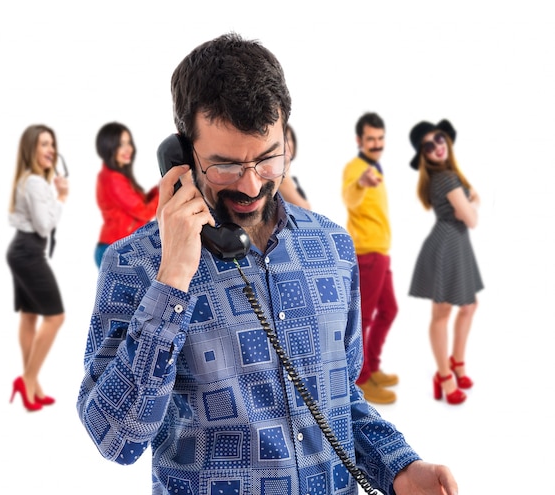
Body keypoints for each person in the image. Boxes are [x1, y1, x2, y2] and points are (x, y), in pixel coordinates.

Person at [76, 33, 458, 495]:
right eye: (225, 166)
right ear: (181, 155)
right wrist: (173, 278)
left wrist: (400, 469)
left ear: (287, 140)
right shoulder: (135, 265)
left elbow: (338, 400)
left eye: (267, 158)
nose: (252, 185)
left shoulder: (333, 247)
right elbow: (115, 439)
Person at [408, 119, 483, 405]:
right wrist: (473, 200)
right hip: (448, 244)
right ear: (424, 155)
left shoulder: (449, 176)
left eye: (439, 139)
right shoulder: (447, 179)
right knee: (442, 314)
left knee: (469, 305)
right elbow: (472, 219)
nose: (437, 146)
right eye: (428, 145)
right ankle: (444, 375)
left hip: (456, 243)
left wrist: (469, 198)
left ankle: (457, 363)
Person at [7, 124, 68, 412]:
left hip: (21, 249)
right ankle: (27, 379)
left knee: (30, 315)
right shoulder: (35, 183)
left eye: (52, 144)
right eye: (44, 144)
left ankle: (33, 385)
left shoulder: (29, 180)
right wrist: (62, 198)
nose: (51, 150)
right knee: (55, 317)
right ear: (31, 149)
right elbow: (44, 226)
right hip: (29, 251)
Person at [341, 112, 399, 404]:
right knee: (364, 316)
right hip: (367, 252)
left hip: (381, 251)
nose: (376, 144)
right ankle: (362, 380)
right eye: (370, 139)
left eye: (380, 138)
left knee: (389, 310)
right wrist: (361, 184)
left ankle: (372, 368)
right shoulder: (357, 168)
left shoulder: (376, 166)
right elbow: (350, 197)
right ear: (359, 141)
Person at [94, 122, 160, 267]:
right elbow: (144, 212)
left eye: (128, 142)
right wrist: (163, 191)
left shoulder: (116, 176)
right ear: (108, 147)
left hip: (120, 246)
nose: (128, 148)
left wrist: (159, 189)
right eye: (120, 144)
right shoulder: (113, 180)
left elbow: (141, 203)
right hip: (116, 248)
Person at [279, 124, 311, 208]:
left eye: (287, 138)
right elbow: (306, 210)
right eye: (279, 140)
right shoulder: (278, 179)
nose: (284, 144)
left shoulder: (292, 180)